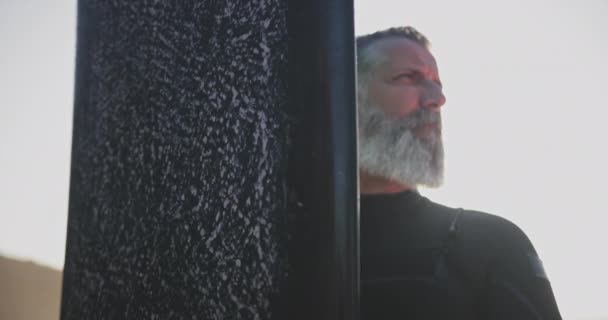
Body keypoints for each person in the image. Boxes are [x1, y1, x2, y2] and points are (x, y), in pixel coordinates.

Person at [357, 26, 562, 319]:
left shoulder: (488, 244)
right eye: (407, 77)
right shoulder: (281, 248)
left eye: (436, 83)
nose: (437, 98)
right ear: (345, 99)